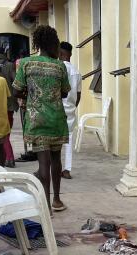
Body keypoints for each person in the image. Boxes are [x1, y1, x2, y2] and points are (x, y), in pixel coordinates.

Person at [13, 26, 70, 212]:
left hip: (36, 118)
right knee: (56, 159)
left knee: (43, 162)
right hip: (56, 120)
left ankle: (44, 204)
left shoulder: (26, 63)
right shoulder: (60, 65)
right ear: (53, 44)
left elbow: (16, 90)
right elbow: (64, 92)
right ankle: (57, 200)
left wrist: (30, 93)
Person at [0, 46, 18, 167]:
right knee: (6, 133)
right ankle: (9, 157)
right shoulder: (9, 65)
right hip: (8, 105)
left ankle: (3, 158)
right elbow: (16, 83)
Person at [58, 41, 82, 179]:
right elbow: (78, 95)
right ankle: (67, 169)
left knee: (54, 141)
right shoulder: (77, 72)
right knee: (69, 140)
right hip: (71, 110)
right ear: (70, 54)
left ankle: (52, 167)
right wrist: (72, 106)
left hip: (57, 109)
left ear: (60, 53)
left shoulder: (57, 68)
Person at [15, 50, 37, 162]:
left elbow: (18, 84)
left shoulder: (20, 62)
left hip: (23, 98)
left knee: (25, 125)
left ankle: (28, 151)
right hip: (34, 98)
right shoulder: (33, 62)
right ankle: (34, 149)